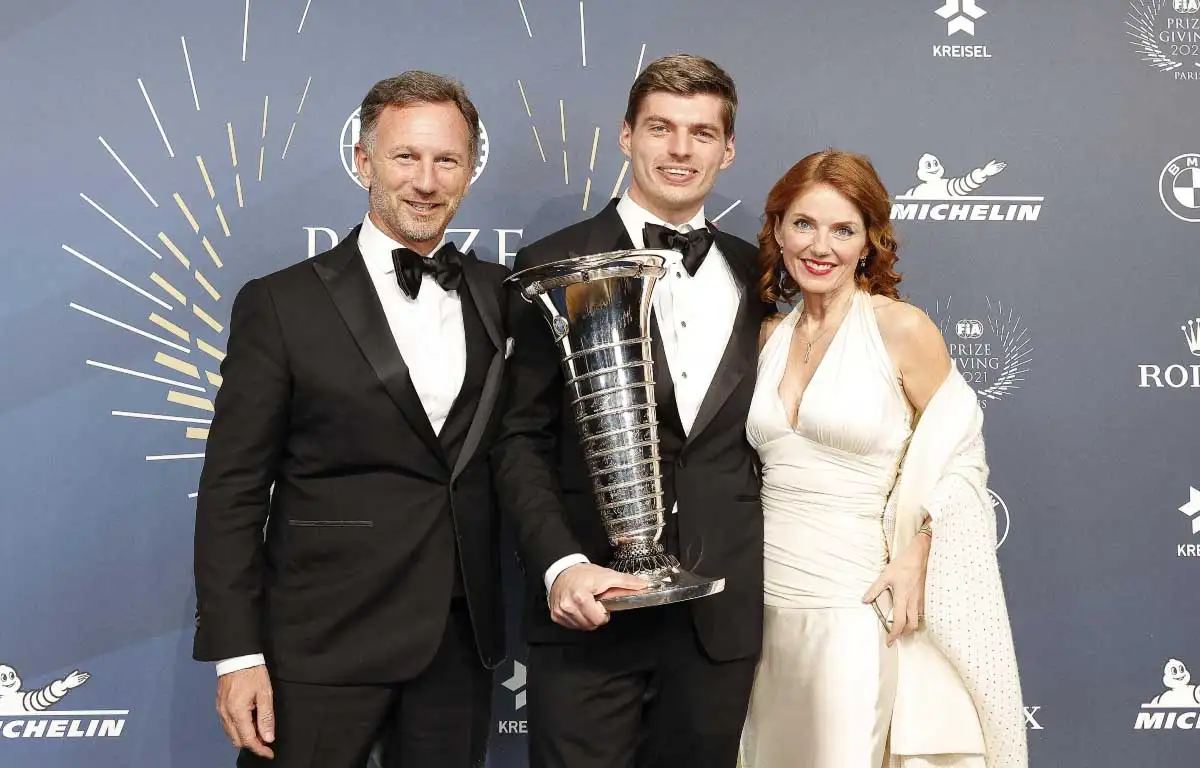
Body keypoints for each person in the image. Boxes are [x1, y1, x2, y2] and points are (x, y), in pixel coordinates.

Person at [192, 71, 510, 768]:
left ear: (467, 172)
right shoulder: (280, 305)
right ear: (364, 162)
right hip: (318, 640)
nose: (426, 181)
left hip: (456, 640)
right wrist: (237, 654)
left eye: (446, 160)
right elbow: (232, 491)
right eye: (405, 157)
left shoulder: (499, 297)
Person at [492, 53, 770, 768]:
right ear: (626, 136)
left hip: (719, 622)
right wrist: (559, 565)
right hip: (593, 615)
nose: (680, 150)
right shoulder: (552, 262)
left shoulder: (763, 273)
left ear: (728, 149)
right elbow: (519, 439)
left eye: (702, 133)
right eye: (661, 128)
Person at [739, 149, 1027, 768]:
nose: (822, 246)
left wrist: (921, 548)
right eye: (804, 224)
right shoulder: (766, 337)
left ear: (870, 241)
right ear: (779, 230)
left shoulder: (901, 329)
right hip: (760, 608)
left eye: (844, 229)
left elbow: (961, 455)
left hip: (856, 603)